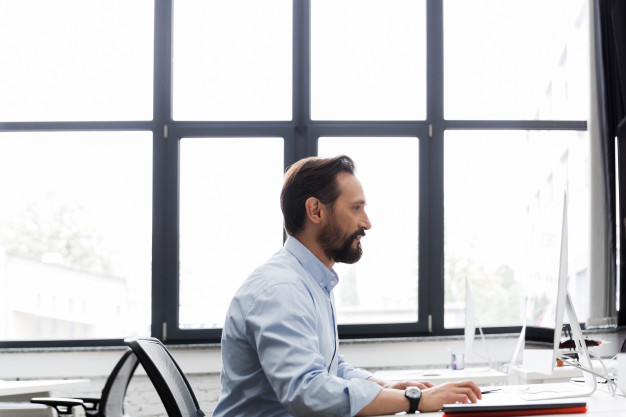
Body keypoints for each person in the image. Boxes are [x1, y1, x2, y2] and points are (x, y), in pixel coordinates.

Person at [213, 155, 482, 416]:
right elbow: (308, 393)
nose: (367, 223)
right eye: (356, 208)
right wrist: (415, 400)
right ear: (316, 211)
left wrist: (385, 387)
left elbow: (330, 369)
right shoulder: (281, 290)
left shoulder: (310, 281)